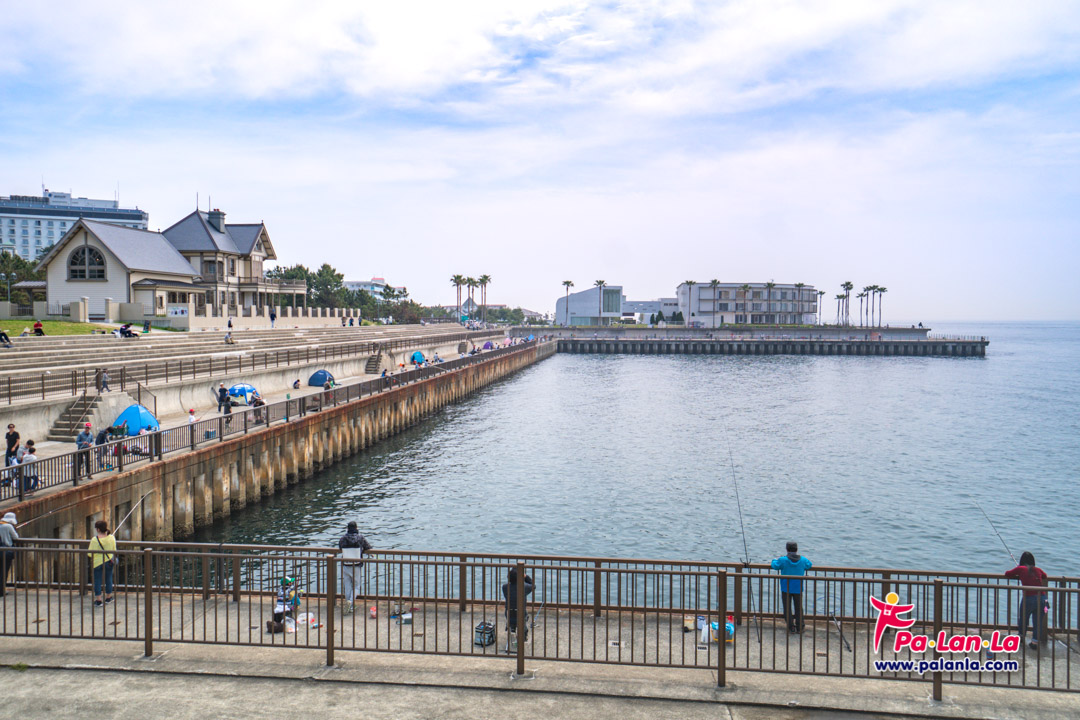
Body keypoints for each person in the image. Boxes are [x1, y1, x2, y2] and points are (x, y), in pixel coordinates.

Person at [1006, 552, 1048, 649]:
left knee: (1024, 618)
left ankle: (1021, 636)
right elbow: (1045, 576)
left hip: (1029, 597)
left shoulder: (1021, 569)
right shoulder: (1038, 569)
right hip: (1043, 598)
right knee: (1038, 621)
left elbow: (1007, 574)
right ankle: (1035, 642)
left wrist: (1019, 572)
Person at [771, 541, 812, 634]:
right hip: (798, 588)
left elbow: (774, 565)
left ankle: (791, 627)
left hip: (786, 588)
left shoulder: (783, 560)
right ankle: (800, 627)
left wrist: (774, 559)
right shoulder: (803, 560)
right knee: (798, 608)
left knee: (787, 607)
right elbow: (809, 565)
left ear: (787, 549)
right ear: (796, 550)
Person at [338, 521, 373, 614]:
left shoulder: (343, 538)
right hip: (356, 565)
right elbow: (367, 546)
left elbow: (340, 547)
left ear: (348, 529)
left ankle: (350, 605)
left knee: (347, 585)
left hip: (346, 564)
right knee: (357, 585)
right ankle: (351, 602)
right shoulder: (360, 538)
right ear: (356, 528)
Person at [502, 567, 535, 645]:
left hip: (509, 612)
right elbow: (533, 585)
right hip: (521, 612)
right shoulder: (524, 587)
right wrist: (526, 577)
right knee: (524, 617)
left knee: (511, 616)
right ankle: (523, 635)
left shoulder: (504, 587)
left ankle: (511, 628)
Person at [88, 520, 116, 607]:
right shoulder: (111, 538)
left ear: (98, 529)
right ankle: (108, 598)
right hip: (108, 561)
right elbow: (114, 550)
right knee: (109, 579)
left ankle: (99, 600)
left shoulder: (94, 540)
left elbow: (89, 553)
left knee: (97, 581)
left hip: (97, 563)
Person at [0, 512, 17, 596]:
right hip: (6, 552)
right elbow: (16, 537)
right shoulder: (9, 526)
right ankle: (1, 590)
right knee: (4, 571)